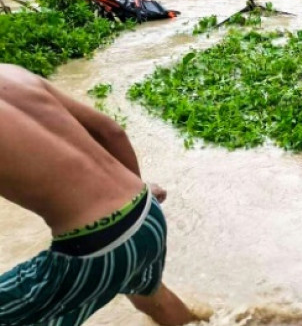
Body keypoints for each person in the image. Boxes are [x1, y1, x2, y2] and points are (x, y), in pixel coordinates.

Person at [0, 64, 196, 326]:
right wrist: (139, 187)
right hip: (146, 212)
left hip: (95, 249)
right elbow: (111, 131)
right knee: (150, 297)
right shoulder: (12, 74)